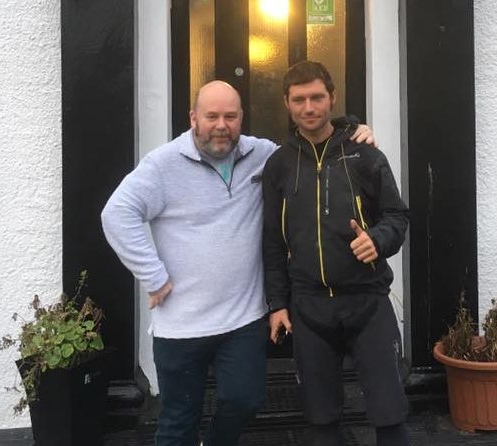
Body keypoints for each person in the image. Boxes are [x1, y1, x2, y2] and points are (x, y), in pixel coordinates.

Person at [101, 80, 375, 446]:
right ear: (193, 118)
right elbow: (117, 214)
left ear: (241, 119)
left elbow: (310, 150)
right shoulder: (163, 164)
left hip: (242, 320)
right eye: (211, 116)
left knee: (244, 401)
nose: (221, 125)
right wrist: (153, 276)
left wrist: (351, 127)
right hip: (181, 326)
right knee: (178, 421)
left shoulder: (261, 155)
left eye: (230, 116)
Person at [263, 61, 410, 446]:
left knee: (389, 412)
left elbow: (397, 216)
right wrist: (278, 303)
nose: (308, 108)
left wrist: (378, 240)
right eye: (299, 100)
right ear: (287, 103)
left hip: (367, 300)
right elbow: (273, 242)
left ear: (332, 98)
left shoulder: (365, 155)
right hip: (309, 306)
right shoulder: (278, 164)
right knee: (321, 418)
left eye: (316, 97)